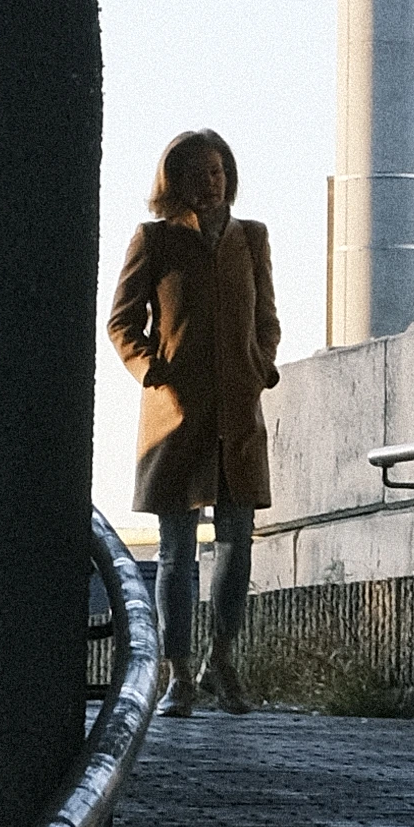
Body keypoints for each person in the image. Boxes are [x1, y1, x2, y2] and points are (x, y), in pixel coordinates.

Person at [107, 126, 280, 715]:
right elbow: (122, 322)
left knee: (237, 546)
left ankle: (222, 662)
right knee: (177, 552)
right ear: (174, 181)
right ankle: (177, 674)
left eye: (218, 172)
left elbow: (268, 320)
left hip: (239, 412)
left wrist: (262, 365)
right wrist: (152, 371)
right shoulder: (154, 241)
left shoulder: (251, 239)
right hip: (176, 417)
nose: (211, 184)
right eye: (198, 174)